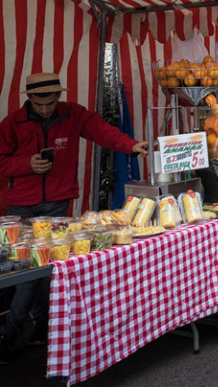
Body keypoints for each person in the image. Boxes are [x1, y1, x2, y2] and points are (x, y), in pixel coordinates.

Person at [0, 73, 149, 364]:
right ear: (28, 98)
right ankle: (14, 331)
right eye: (39, 103)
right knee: (28, 271)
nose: (46, 109)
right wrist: (26, 164)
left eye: (51, 102)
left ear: (59, 97)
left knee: (49, 269)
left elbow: (104, 132)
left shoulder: (74, 114)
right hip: (20, 206)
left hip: (57, 203)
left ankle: (37, 328)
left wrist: (130, 145)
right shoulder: (12, 123)